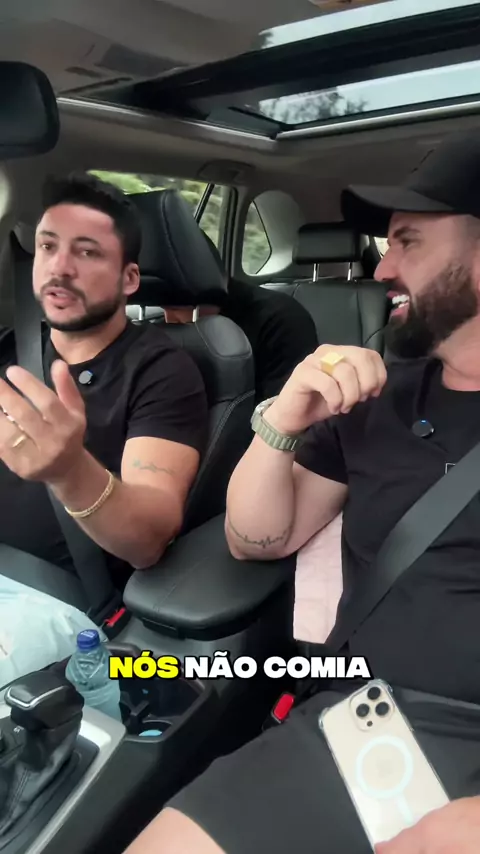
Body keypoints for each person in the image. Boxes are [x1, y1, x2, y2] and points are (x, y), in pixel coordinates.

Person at [123, 129, 480, 854]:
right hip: (367, 726)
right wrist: (283, 420)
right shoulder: (377, 394)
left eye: (408, 241)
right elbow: (256, 539)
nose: (383, 267)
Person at [0, 173, 207, 590]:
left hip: (52, 600)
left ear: (129, 279)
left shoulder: (162, 371)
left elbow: (150, 539)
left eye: (87, 252)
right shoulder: (9, 345)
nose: (59, 267)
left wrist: (70, 471)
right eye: (47, 246)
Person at [164, 234, 319, 401]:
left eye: (174, 307)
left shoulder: (281, 320)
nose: (167, 319)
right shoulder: (162, 330)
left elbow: (288, 409)